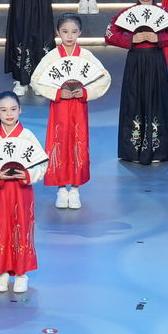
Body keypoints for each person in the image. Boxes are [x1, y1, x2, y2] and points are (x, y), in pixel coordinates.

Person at [105, 0, 168, 164]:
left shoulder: (165, 13)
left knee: (157, 101)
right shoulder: (126, 14)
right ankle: (132, 151)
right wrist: (131, 39)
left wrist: (159, 38)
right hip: (135, 60)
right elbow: (109, 34)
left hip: (156, 60)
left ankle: (158, 151)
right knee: (133, 101)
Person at [32, 13, 111, 209]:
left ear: (80, 33)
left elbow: (103, 78)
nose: (69, 36)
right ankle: (61, 188)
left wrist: (85, 92)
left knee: (78, 142)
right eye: (65, 31)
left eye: (74, 32)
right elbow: (37, 80)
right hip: (59, 107)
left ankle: (75, 188)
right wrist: (57, 93)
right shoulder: (51, 57)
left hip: (78, 106)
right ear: (58, 32)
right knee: (58, 142)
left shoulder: (86, 56)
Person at [0, 91, 46, 293]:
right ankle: (2, 271)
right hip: (1, 192)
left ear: (20, 110)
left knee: (22, 226)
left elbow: (42, 162)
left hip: (22, 192)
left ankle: (22, 273)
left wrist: (27, 174)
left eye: (13, 109)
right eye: (4, 110)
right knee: (1, 227)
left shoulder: (27, 136)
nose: (9, 114)